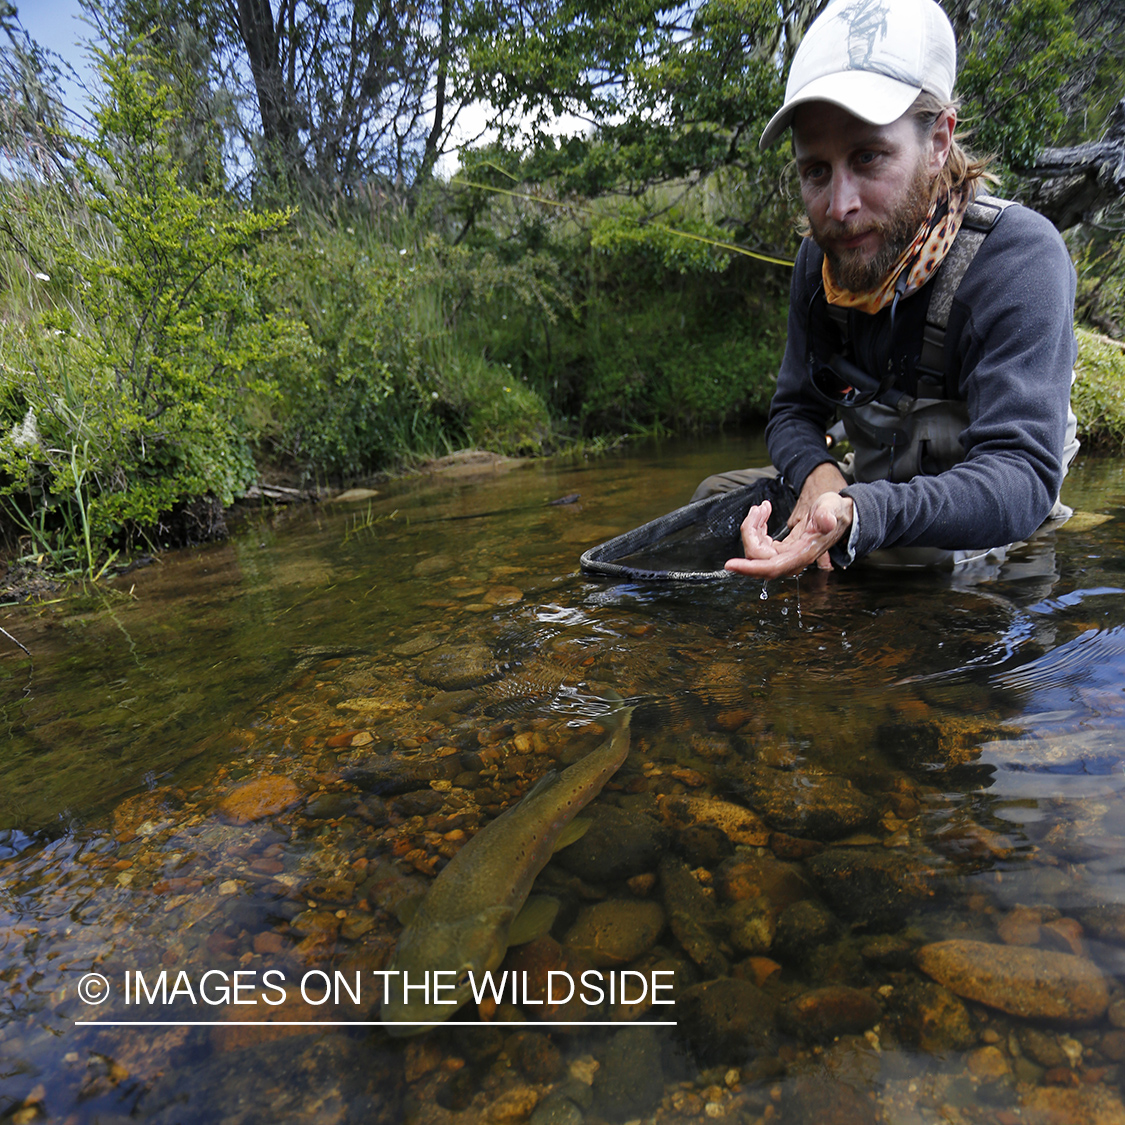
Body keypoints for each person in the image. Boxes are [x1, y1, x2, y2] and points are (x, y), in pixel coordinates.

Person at [707, 0, 1079, 579]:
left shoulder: (1019, 259)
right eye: (816, 171)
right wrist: (819, 476)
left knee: (882, 569)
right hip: (870, 495)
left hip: (986, 523)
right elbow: (793, 413)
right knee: (714, 504)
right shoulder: (819, 263)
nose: (839, 206)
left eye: (868, 157)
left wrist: (859, 514)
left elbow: (1021, 479)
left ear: (938, 140)